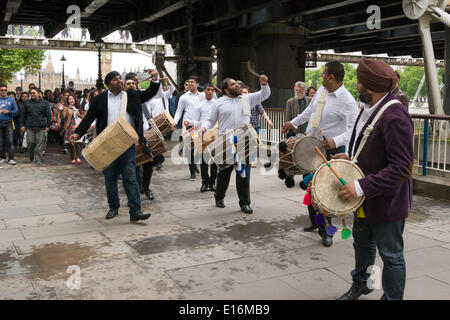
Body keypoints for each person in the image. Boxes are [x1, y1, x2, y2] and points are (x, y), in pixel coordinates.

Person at [335, 58, 414, 300]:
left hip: (386, 201)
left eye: (360, 82)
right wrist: (349, 158)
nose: (357, 85)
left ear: (371, 85)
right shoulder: (369, 107)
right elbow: (369, 146)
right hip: (365, 200)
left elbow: (402, 167)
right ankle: (361, 284)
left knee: (391, 256)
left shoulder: (395, 115)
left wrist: (360, 187)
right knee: (362, 245)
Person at [282, 61, 358, 247]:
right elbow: (310, 112)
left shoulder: (347, 100)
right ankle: (317, 223)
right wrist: (293, 122)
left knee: (324, 191)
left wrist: (336, 141)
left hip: (332, 151)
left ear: (331, 77)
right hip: (312, 146)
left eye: (324, 73)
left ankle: (327, 231)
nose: (321, 76)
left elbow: (354, 129)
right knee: (312, 189)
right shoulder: (322, 93)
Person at [70, 70, 160, 222]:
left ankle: (135, 210)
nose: (120, 81)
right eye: (116, 79)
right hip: (107, 142)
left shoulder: (131, 94)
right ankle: (113, 206)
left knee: (130, 175)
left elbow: (150, 92)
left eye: (120, 78)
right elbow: (88, 118)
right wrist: (78, 133)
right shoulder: (99, 99)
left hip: (127, 142)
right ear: (109, 83)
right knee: (110, 176)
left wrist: (156, 79)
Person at [202, 75, 271, 214]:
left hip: (243, 140)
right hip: (226, 141)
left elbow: (264, 94)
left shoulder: (247, 99)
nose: (238, 85)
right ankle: (219, 196)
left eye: (237, 83)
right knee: (224, 172)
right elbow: (210, 120)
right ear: (226, 90)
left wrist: (264, 84)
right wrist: (204, 128)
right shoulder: (219, 102)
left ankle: (245, 203)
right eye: (233, 84)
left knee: (243, 173)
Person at [172, 76, 203, 181]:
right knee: (190, 148)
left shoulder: (202, 96)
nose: (189, 84)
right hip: (188, 125)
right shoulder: (183, 97)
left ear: (197, 84)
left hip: (200, 125)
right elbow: (179, 111)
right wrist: (175, 122)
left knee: (200, 149)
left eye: (192, 82)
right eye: (188, 82)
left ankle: (195, 165)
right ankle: (192, 171)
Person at [190, 83, 217, 192]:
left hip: (215, 133)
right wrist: (190, 123)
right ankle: (204, 182)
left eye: (212, 90)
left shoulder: (217, 104)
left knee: (215, 159)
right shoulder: (199, 105)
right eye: (208, 90)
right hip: (203, 133)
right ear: (204, 91)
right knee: (204, 160)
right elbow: (196, 120)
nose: (210, 92)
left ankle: (212, 182)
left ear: (214, 92)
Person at [241, 86, 273, 168]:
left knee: (254, 144)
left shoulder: (255, 101)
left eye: (245, 92)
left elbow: (262, 112)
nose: (243, 94)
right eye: (242, 92)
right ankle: (242, 161)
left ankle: (252, 161)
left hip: (255, 126)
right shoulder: (239, 102)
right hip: (244, 127)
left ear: (249, 93)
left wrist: (268, 120)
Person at [20, 87, 51, 165]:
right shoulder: (27, 103)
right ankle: (32, 156)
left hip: (41, 127)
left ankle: (38, 160)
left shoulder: (45, 103)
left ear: (39, 93)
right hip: (30, 127)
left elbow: (49, 116)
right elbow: (23, 115)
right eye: (31, 93)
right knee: (30, 143)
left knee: (39, 145)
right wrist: (22, 125)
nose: (32, 94)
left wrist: (48, 126)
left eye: (34, 93)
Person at [62, 94, 84, 164]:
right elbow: (64, 117)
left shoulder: (79, 107)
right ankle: (72, 157)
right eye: (69, 99)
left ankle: (78, 156)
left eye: (72, 99)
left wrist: (79, 115)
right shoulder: (67, 108)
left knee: (79, 142)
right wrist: (63, 109)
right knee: (71, 142)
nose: (71, 100)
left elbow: (84, 117)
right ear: (67, 101)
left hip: (79, 125)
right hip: (70, 125)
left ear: (75, 99)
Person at [0, 84, 18, 165]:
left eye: (5, 90)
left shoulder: (11, 100)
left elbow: (16, 112)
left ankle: (11, 158)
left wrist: (9, 112)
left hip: (8, 123)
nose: (4, 91)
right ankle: (2, 157)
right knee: (0, 142)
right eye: (2, 90)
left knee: (10, 141)